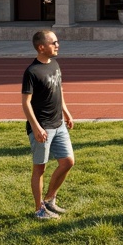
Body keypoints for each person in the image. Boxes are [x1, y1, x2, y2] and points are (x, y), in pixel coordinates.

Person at [21, 29, 75, 220]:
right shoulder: (32, 72)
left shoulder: (55, 64)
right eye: (54, 43)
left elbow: (58, 90)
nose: (57, 45)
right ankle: (39, 210)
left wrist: (66, 112)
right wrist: (36, 127)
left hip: (58, 124)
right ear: (41, 47)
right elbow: (26, 103)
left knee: (68, 162)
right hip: (42, 127)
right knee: (40, 169)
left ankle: (50, 199)